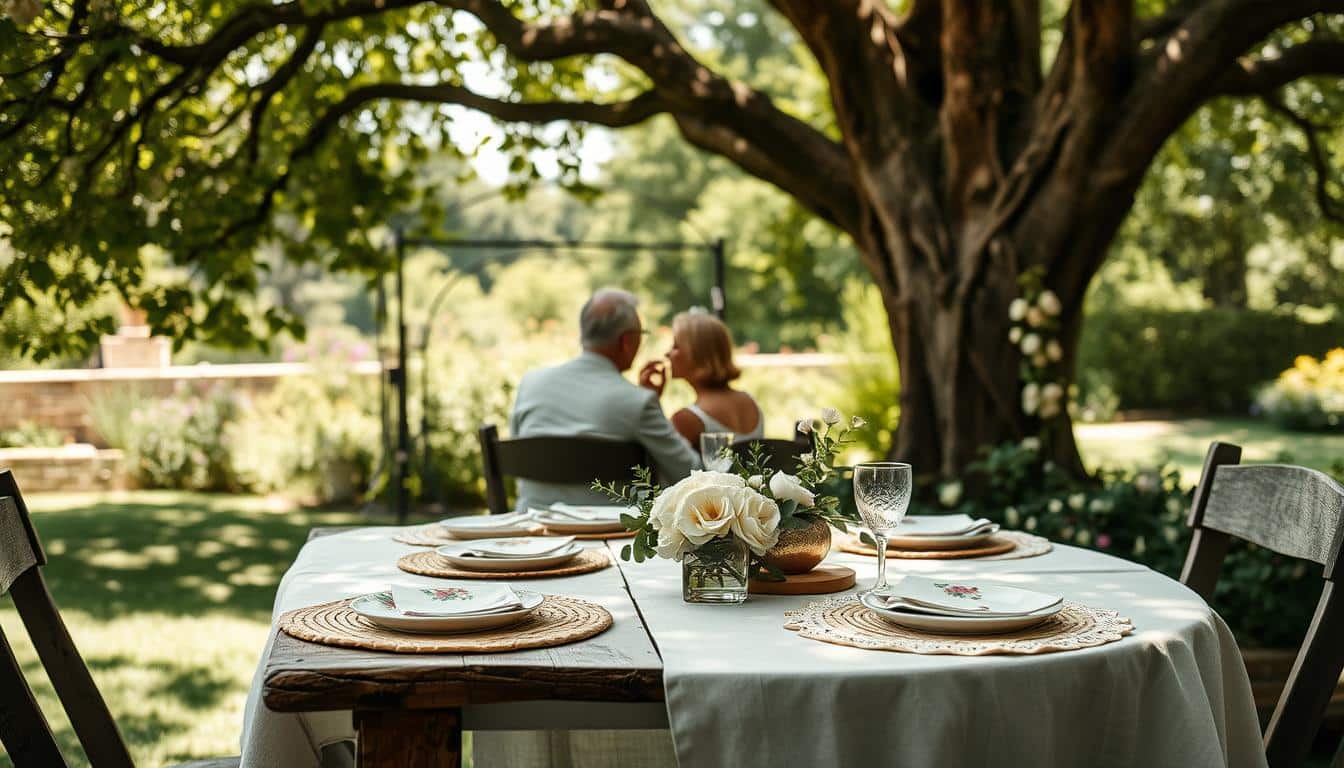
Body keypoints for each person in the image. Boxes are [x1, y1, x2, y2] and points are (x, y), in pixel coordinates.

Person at [507, 288, 699, 512]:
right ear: (626, 341)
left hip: (532, 529)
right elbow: (690, 473)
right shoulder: (637, 402)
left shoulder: (531, 383)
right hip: (608, 536)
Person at [644, 309, 763, 449]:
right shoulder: (751, 403)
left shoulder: (686, 419)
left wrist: (649, 401)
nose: (667, 353)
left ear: (696, 355)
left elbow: (660, 460)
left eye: (676, 346)